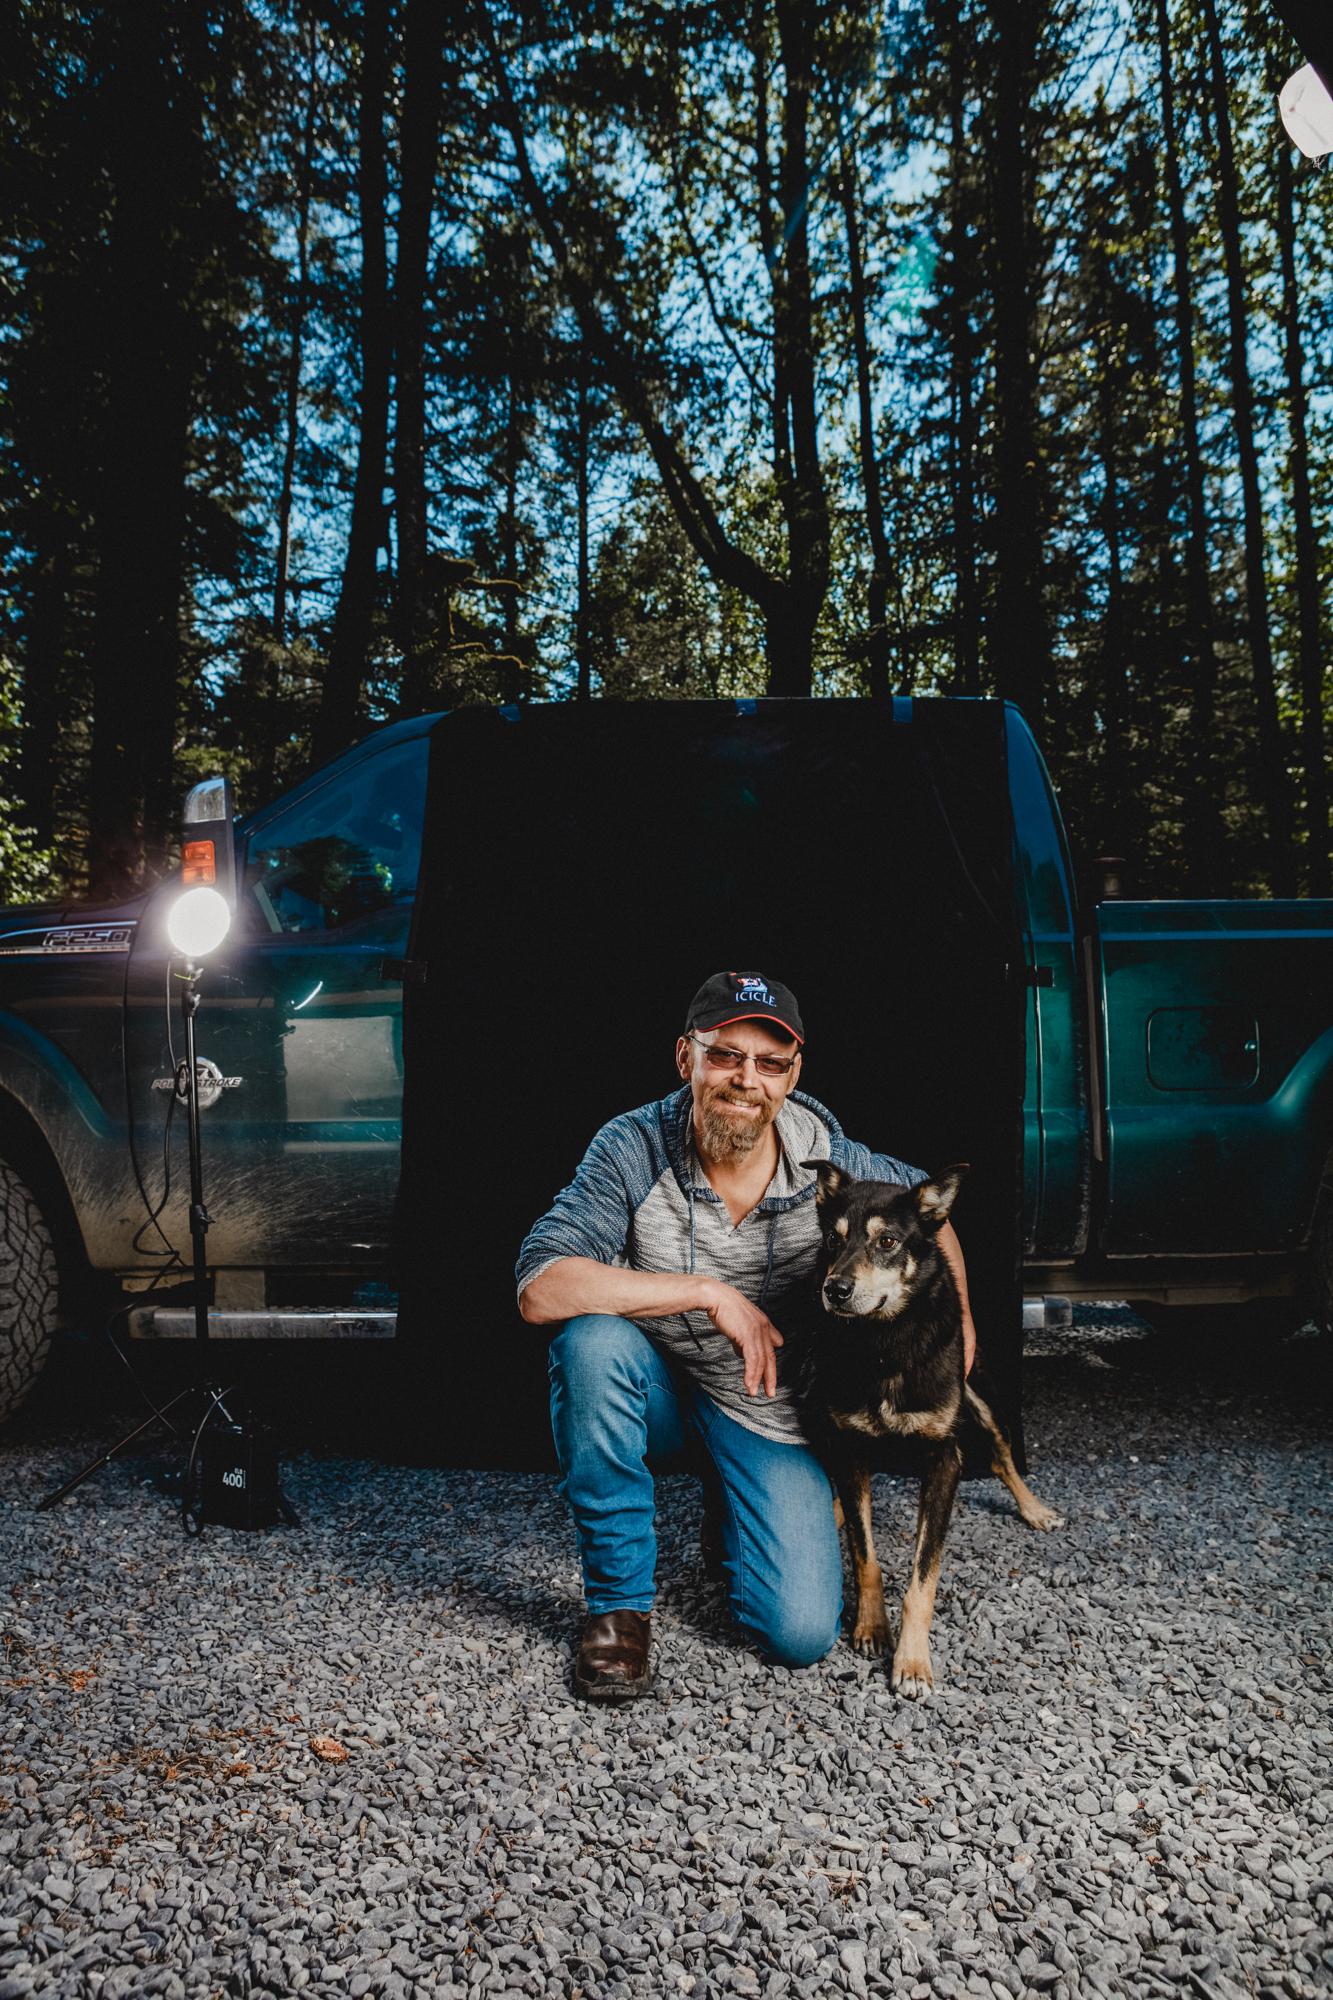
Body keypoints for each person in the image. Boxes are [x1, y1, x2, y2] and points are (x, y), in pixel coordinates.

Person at [515, 970, 978, 1701]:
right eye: (725, 1055)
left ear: (793, 1075)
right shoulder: (632, 1147)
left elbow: (926, 1221)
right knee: (590, 1343)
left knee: (798, 1636)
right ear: (685, 1058)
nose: (745, 1080)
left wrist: (961, 1344)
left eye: (769, 1063)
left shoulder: (833, 1160)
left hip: (766, 1411)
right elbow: (541, 1288)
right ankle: (616, 1610)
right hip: (656, 1388)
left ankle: (735, 1504)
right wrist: (706, 1294)